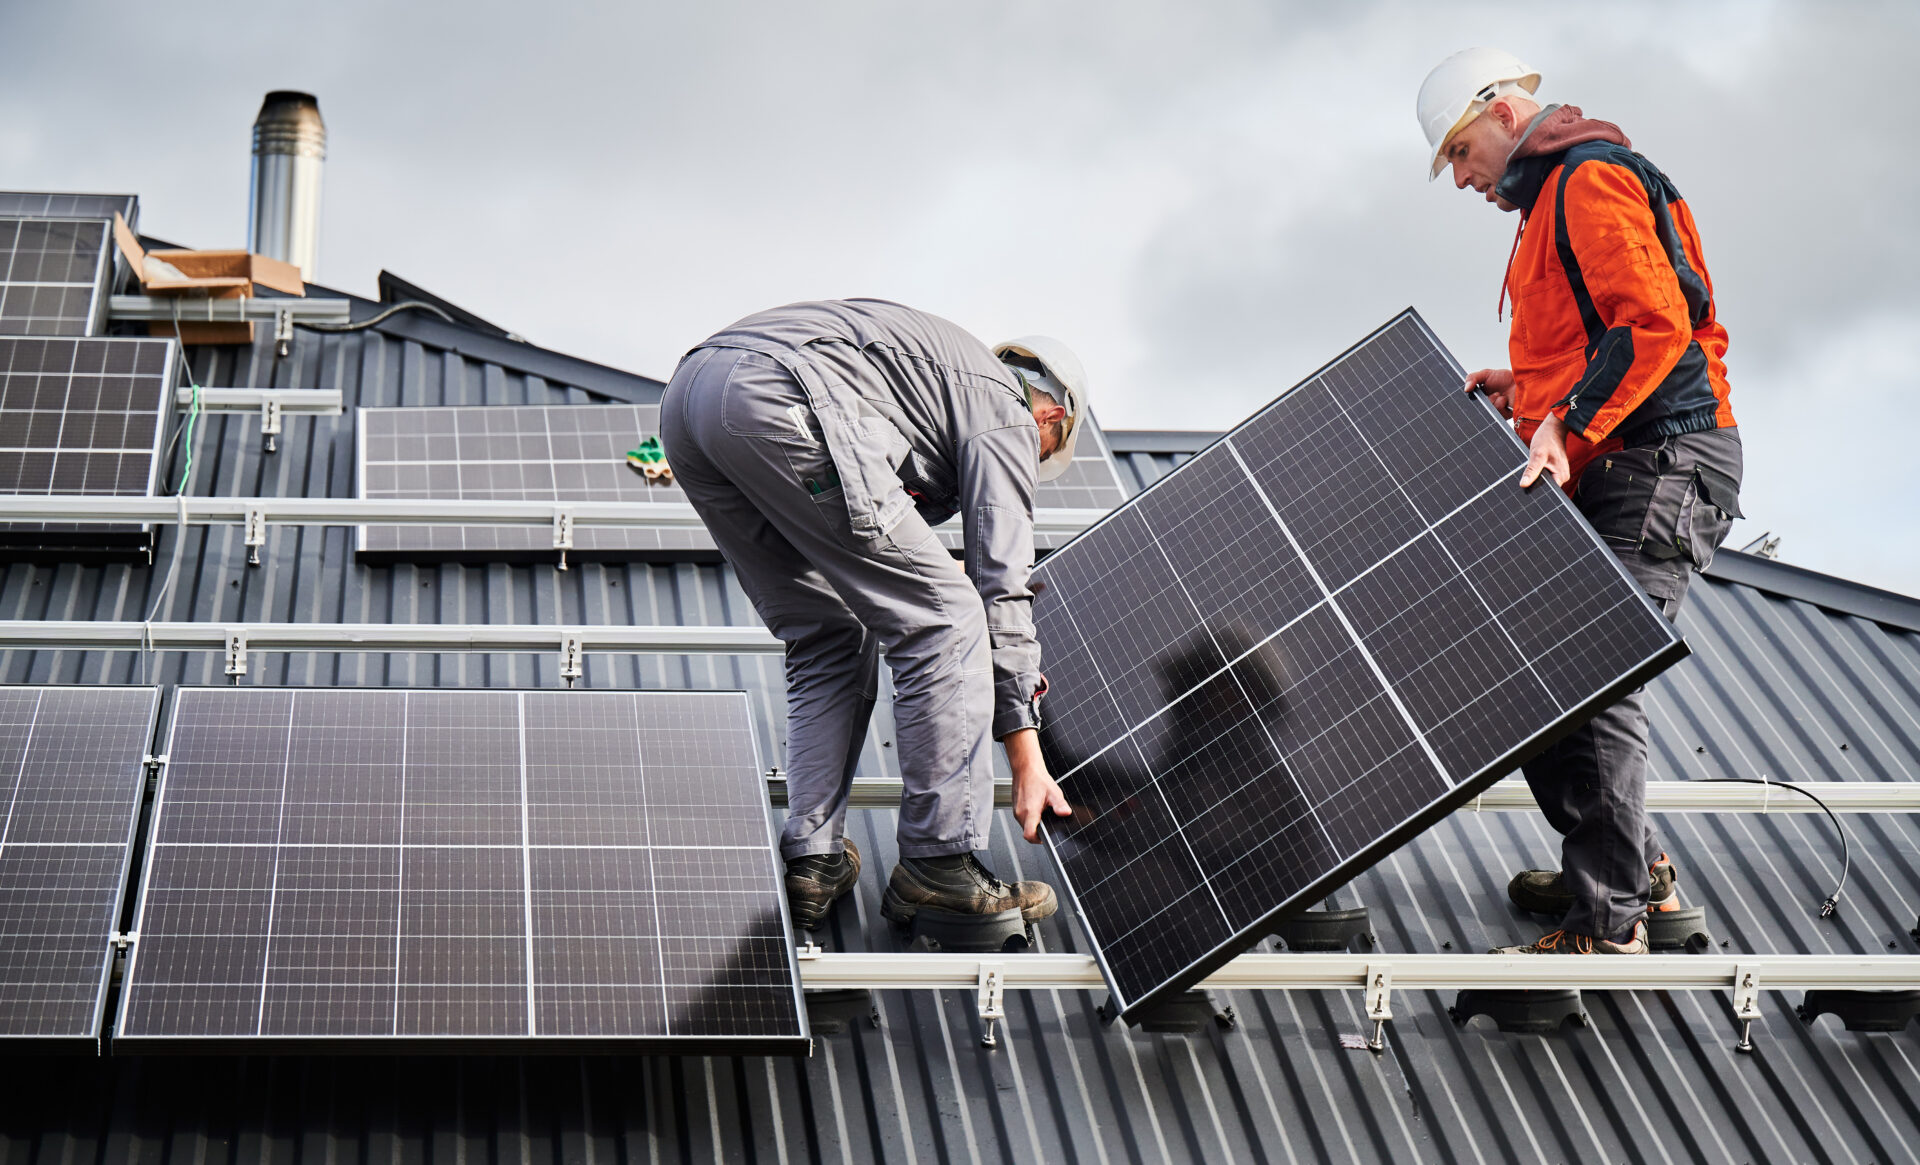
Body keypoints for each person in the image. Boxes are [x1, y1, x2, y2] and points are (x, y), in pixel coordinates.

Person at [1417, 49, 1745, 954]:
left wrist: (1561, 419)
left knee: (1593, 672)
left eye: (1458, 152)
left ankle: (1610, 920)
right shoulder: (1548, 202)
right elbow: (1593, 339)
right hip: (1619, 456)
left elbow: (1653, 325)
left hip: (1661, 460)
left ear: (1501, 112)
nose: (1461, 179)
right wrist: (1526, 389)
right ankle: (1635, 870)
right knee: (1537, 678)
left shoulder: (1590, 176)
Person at [659, 298, 1079, 933]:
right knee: (946, 615)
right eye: (1042, 454)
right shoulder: (1007, 409)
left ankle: (813, 855)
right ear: (1052, 415)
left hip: (692, 401)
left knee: (827, 631)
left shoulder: (931, 379)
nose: (1030, 465)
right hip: (782, 392)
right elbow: (1002, 583)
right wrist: (1025, 748)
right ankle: (940, 862)